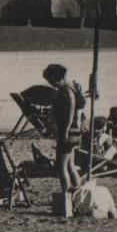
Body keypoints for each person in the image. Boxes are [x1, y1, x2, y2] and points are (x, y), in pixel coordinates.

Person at [44, 62, 81, 191]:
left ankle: (66, 195)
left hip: (68, 131)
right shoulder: (69, 88)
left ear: (55, 78)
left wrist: (64, 130)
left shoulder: (66, 90)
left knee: (61, 167)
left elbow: (70, 111)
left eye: (51, 80)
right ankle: (77, 191)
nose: (51, 84)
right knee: (70, 165)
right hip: (74, 131)